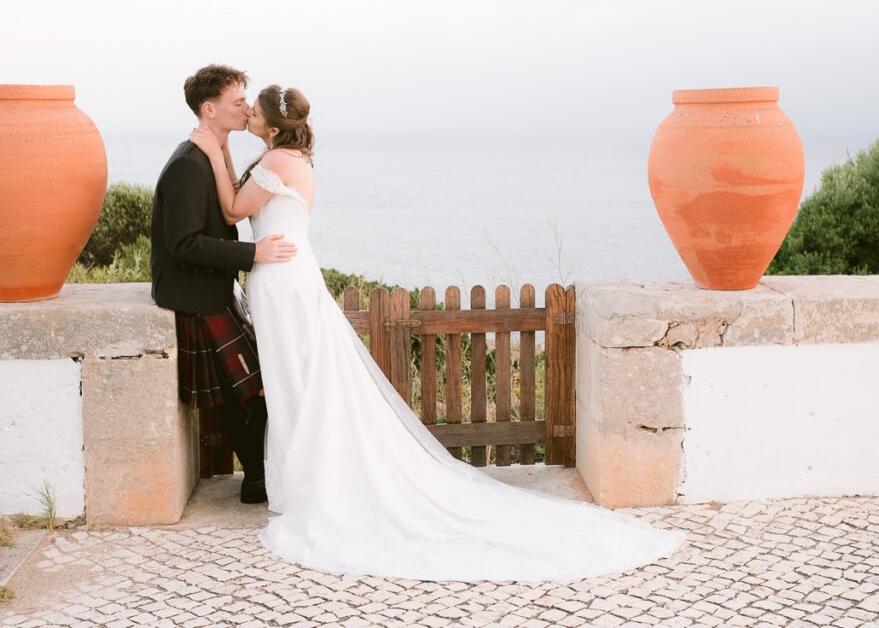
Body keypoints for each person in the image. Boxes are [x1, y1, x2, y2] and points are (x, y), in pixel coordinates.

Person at [189, 84, 685, 581]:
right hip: (283, 277)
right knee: (295, 380)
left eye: (254, 112)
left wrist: (216, 149)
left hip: (285, 278)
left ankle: (312, 484)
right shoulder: (281, 155)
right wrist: (226, 151)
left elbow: (233, 209)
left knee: (299, 381)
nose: (247, 114)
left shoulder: (280, 162)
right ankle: (302, 479)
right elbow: (242, 198)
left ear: (273, 127)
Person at [151, 64, 297, 505]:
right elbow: (184, 244)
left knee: (248, 390)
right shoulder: (187, 165)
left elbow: (229, 200)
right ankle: (256, 478)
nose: (247, 108)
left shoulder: (209, 153)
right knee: (246, 392)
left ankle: (259, 477)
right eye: (238, 102)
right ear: (209, 109)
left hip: (213, 290)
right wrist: (254, 254)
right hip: (195, 295)